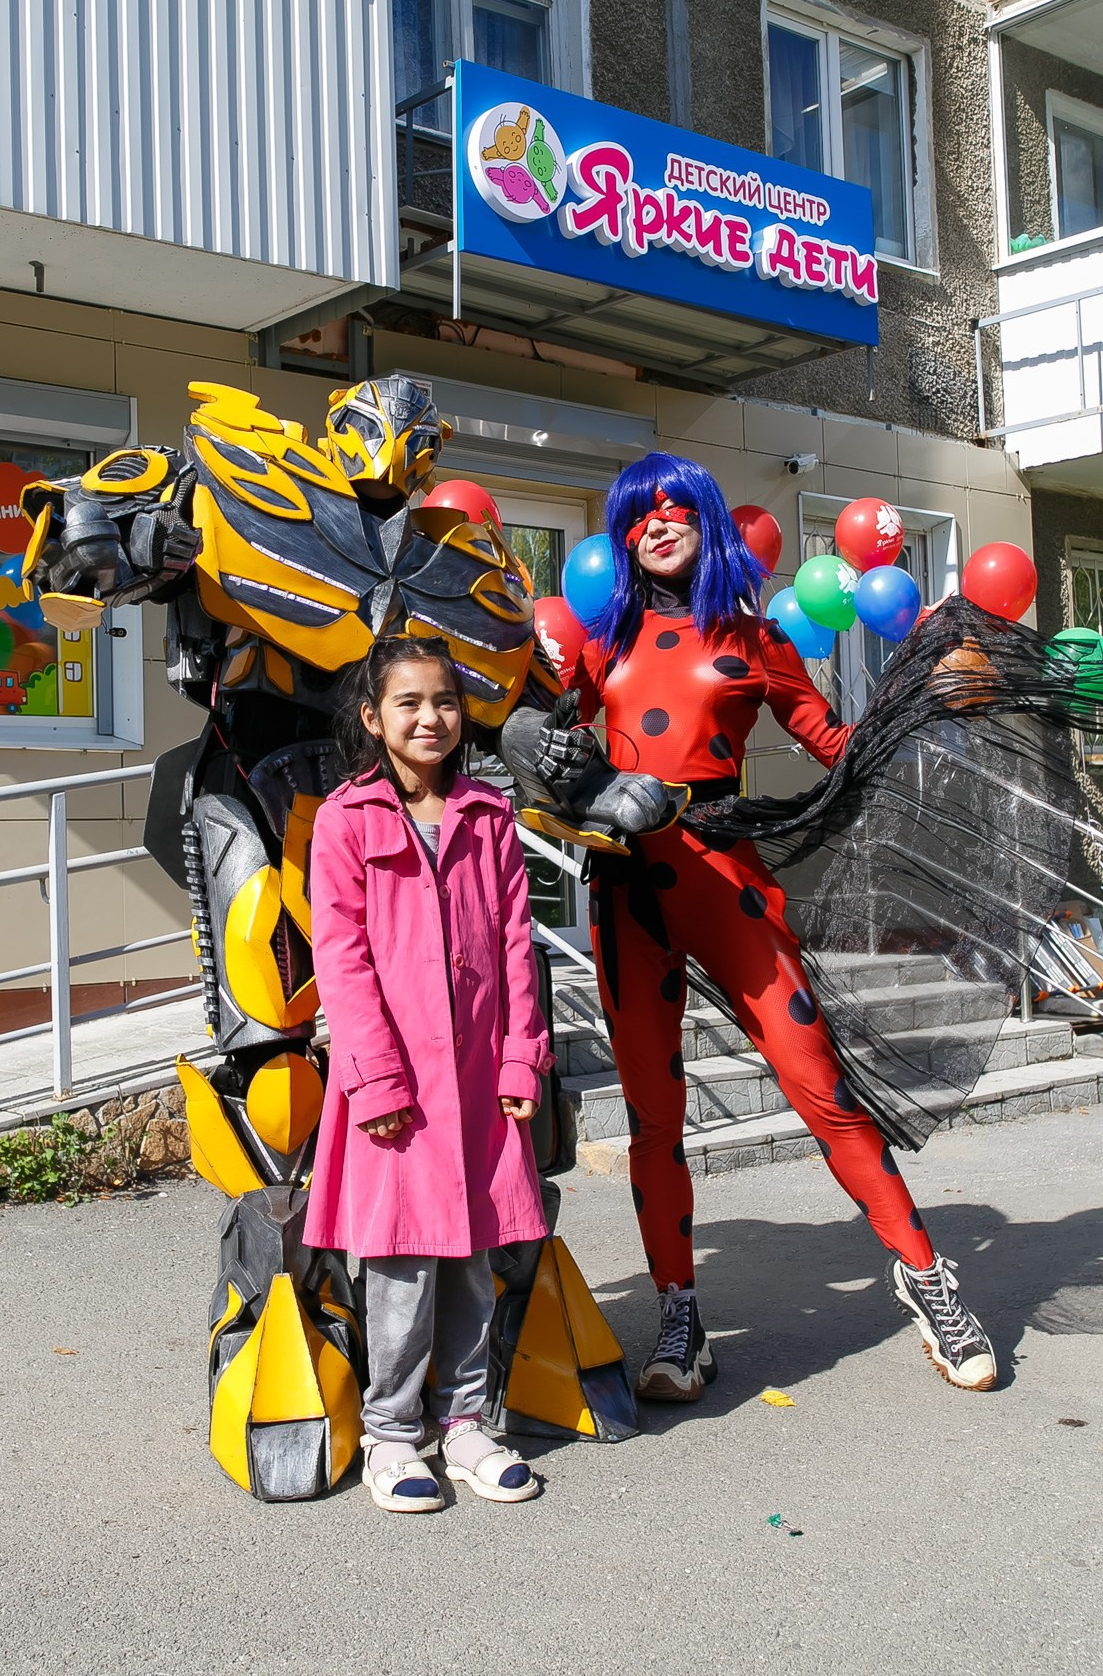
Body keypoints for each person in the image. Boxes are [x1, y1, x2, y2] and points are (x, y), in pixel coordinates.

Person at [563, 454, 997, 1402]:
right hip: (625, 888)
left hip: (726, 872)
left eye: (676, 509)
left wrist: (921, 717)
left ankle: (928, 1280)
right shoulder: (602, 644)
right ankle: (680, 1315)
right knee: (652, 1118)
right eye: (638, 517)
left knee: (818, 1085)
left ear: (706, 522)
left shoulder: (755, 640)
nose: (657, 527)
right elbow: (548, 751)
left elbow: (838, 746)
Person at [304, 634, 552, 1512]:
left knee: (472, 1255)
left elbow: (517, 948)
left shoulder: (489, 816)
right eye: (407, 702)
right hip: (396, 1085)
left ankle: (467, 1425)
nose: (430, 718)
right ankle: (392, 1434)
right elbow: (340, 959)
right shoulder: (345, 820)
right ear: (374, 718)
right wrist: (373, 1082)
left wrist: (522, 1056)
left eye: (444, 701)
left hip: (481, 1076)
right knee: (403, 1261)